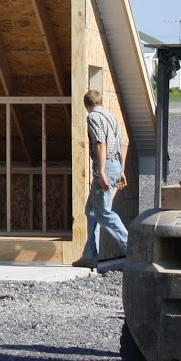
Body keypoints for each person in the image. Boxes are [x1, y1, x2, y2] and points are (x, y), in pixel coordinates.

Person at [80, 89, 129, 269]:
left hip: (106, 166)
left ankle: (133, 248)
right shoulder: (111, 116)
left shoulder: (93, 118)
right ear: (100, 101)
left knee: (104, 213)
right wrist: (121, 170)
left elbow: (101, 144)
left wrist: (101, 172)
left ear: (87, 105)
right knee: (91, 210)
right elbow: (124, 143)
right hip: (115, 164)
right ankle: (89, 255)